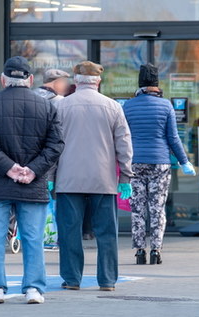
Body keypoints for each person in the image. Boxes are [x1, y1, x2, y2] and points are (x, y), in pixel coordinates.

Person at [0, 56, 65, 304]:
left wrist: (9, 168)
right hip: (32, 185)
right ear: (31, 80)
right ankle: (34, 289)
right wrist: (33, 170)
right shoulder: (46, 107)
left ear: (3, 79)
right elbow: (56, 144)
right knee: (33, 238)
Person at [55, 61, 133, 291]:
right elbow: (124, 144)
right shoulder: (113, 107)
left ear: (76, 82)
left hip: (68, 180)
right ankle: (107, 280)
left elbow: (51, 145)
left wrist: (50, 176)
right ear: (98, 81)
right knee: (106, 232)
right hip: (103, 180)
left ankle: (71, 279)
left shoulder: (61, 107)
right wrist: (126, 176)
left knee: (69, 231)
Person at [123, 63, 196, 265]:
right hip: (160, 164)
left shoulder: (128, 106)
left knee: (138, 209)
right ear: (157, 84)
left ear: (140, 83)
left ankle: (139, 251)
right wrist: (184, 161)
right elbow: (173, 138)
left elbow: (122, 138)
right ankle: (156, 250)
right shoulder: (166, 106)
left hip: (134, 163)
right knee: (157, 208)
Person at [34, 68, 70, 249]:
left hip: (31, 161)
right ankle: (50, 237)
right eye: (64, 82)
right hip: (53, 162)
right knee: (53, 202)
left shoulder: (31, 98)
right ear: (55, 83)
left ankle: (36, 236)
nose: (66, 86)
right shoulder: (60, 103)